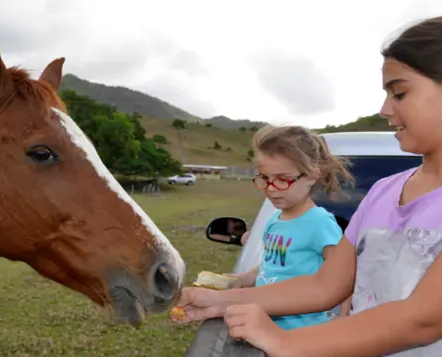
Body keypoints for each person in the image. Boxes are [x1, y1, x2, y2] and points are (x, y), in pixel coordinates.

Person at [173, 15, 442, 357]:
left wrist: (284, 341)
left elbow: (423, 320)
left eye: (399, 93)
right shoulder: (382, 192)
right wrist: (216, 300)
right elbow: (325, 285)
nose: (385, 109)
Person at [174, 123, 355, 330]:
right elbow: (272, 267)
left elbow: (344, 276)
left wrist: (343, 318)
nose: (271, 189)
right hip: (266, 327)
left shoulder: (321, 224)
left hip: (303, 334)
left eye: (282, 180)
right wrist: (238, 280)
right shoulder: (276, 221)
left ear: (312, 176)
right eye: (265, 179)